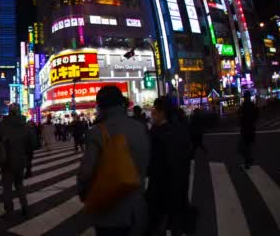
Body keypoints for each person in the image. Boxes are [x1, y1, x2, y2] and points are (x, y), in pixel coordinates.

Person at [77, 86, 151, 236]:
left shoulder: (97, 132)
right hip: (137, 208)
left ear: (100, 106)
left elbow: (85, 173)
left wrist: (84, 193)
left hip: (109, 210)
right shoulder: (139, 127)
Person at [145, 97, 193, 236]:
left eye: (154, 111)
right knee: (175, 222)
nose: (152, 115)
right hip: (179, 183)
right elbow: (188, 153)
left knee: (157, 224)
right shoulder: (181, 129)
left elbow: (152, 162)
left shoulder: (156, 133)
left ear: (162, 113)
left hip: (161, 186)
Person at [0, 103, 31, 218]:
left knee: (7, 186)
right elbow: (33, 144)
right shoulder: (24, 125)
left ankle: (9, 210)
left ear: (9, 112)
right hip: (20, 160)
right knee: (19, 184)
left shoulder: (2, 125)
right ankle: (24, 206)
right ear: (19, 112)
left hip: (6, 160)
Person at [238, 91, 258, 169]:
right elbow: (256, 115)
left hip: (245, 128)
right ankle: (248, 160)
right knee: (247, 146)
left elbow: (240, 115)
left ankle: (248, 160)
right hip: (251, 128)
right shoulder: (253, 105)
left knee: (242, 146)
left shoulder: (244, 106)